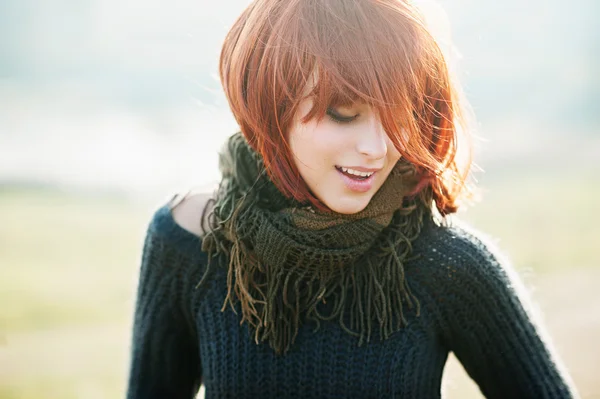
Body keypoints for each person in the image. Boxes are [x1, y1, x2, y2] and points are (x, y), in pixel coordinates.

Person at [126, 0, 578, 398]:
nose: (378, 148)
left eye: (402, 116)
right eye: (344, 115)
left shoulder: (447, 264)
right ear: (268, 105)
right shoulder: (186, 242)